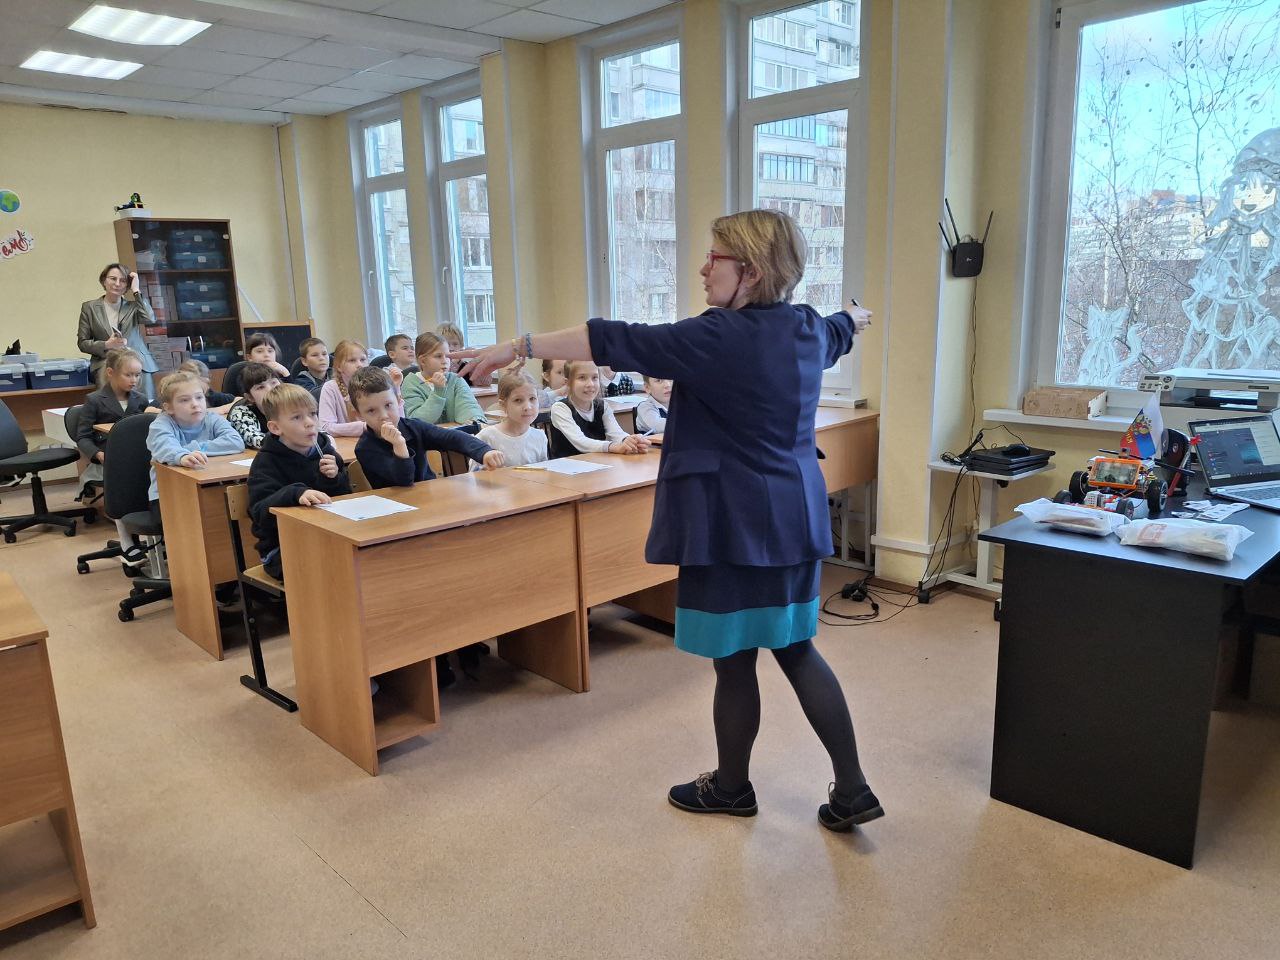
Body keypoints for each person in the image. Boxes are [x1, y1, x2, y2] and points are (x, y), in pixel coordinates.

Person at [457, 209, 878, 830]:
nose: (703, 268)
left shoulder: (716, 336)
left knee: (735, 659)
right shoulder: (808, 327)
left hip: (732, 522)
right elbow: (842, 327)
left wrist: (516, 347)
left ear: (751, 270)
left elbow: (614, 338)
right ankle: (852, 789)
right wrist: (854, 317)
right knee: (796, 649)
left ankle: (732, 787)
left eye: (715, 258)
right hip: (793, 515)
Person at [248, 384, 351, 581]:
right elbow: (259, 512)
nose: (309, 423)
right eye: (297, 417)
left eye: (313, 414)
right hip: (281, 548)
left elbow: (344, 500)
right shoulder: (266, 462)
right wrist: (295, 494)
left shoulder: (327, 453)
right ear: (275, 428)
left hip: (328, 536)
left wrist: (333, 480)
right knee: (334, 565)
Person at [349, 367, 502, 489]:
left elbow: (451, 438)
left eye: (388, 405)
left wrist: (484, 451)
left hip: (429, 500)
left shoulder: (414, 427)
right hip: (394, 510)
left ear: (399, 401)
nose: (383, 416)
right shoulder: (365, 448)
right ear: (359, 415)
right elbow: (404, 481)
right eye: (371, 411)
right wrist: (399, 445)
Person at [144, 371, 244, 558]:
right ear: (168, 407)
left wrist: (194, 448)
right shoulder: (161, 425)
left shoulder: (211, 418)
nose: (195, 404)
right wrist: (182, 456)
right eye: (184, 400)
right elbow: (165, 447)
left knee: (229, 519)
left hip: (210, 487)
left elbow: (235, 442)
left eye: (199, 397)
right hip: (168, 496)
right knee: (199, 529)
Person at [74, 348, 157, 523]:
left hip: (139, 456)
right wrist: (98, 454)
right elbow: (82, 437)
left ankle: (151, 520)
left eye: (137, 375)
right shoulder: (94, 400)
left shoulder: (141, 399)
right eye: (128, 375)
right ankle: (125, 527)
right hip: (109, 458)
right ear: (111, 373)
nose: (134, 380)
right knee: (124, 494)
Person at [77, 263, 160, 398]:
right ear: (104, 281)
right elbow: (83, 343)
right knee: (112, 406)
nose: (117, 284)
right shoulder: (89, 308)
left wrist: (136, 291)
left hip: (138, 365)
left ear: (127, 285)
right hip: (107, 364)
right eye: (113, 279)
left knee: (145, 406)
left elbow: (150, 319)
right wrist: (106, 345)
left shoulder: (133, 306)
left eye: (122, 280)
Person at [548, 361, 649, 458]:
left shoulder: (603, 406)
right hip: (567, 466)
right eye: (582, 378)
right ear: (568, 383)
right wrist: (612, 446)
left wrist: (629, 441)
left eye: (595, 378)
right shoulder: (560, 408)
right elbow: (581, 442)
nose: (590, 384)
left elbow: (616, 433)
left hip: (597, 462)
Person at [318, 339, 402, 437]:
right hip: (347, 443)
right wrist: (368, 427)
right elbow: (326, 427)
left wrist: (396, 387)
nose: (359, 365)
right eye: (352, 360)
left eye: (363, 360)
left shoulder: (375, 385)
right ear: (339, 366)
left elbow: (400, 422)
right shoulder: (330, 388)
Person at [403, 332, 485, 425]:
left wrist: (475, 421)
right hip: (427, 434)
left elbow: (468, 405)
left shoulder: (456, 379)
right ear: (422, 361)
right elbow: (417, 422)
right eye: (438, 356)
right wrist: (438, 392)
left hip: (455, 432)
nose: (445, 361)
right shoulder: (411, 383)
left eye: (447, 356)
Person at [473, 371, 548, 469]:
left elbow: (544, 471)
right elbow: (473, 473)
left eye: (532, 398)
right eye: (518, 400)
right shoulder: (487, 437)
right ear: (503, 405)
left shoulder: (540, 437)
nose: (528, 407)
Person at [225, 362, 280, 450]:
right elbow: (257, 440)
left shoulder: (292, 403)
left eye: (273, 382)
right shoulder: (241, 412)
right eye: (260, 387)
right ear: (250, 397)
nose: (270, 389)